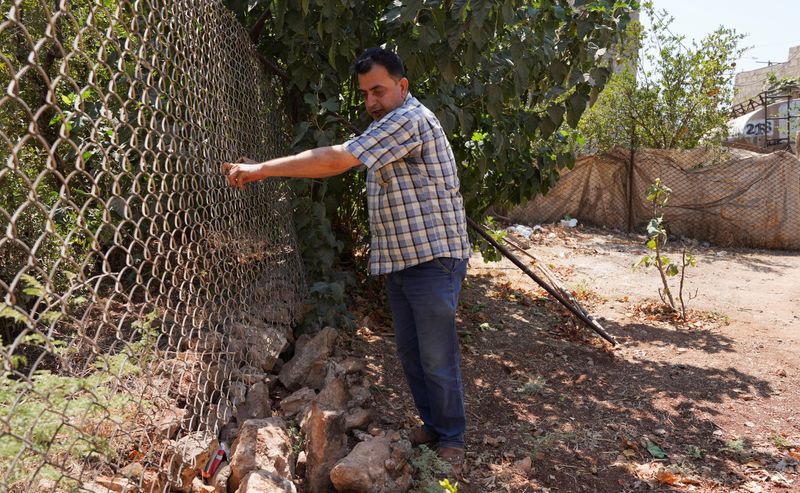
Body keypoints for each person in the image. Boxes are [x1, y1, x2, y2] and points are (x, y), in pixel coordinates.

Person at [221, 47, 470, 474]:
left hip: (433, 259)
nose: (371, 101)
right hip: (405, 260)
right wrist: (264, 166)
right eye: (365, 93)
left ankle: (452, 438)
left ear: (402, 86)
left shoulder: (408, 120)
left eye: (379, 90)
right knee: (412, 353)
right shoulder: (388, 123)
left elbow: (335, 160)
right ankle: (434, 426)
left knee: (435, 355)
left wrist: (263, 169)